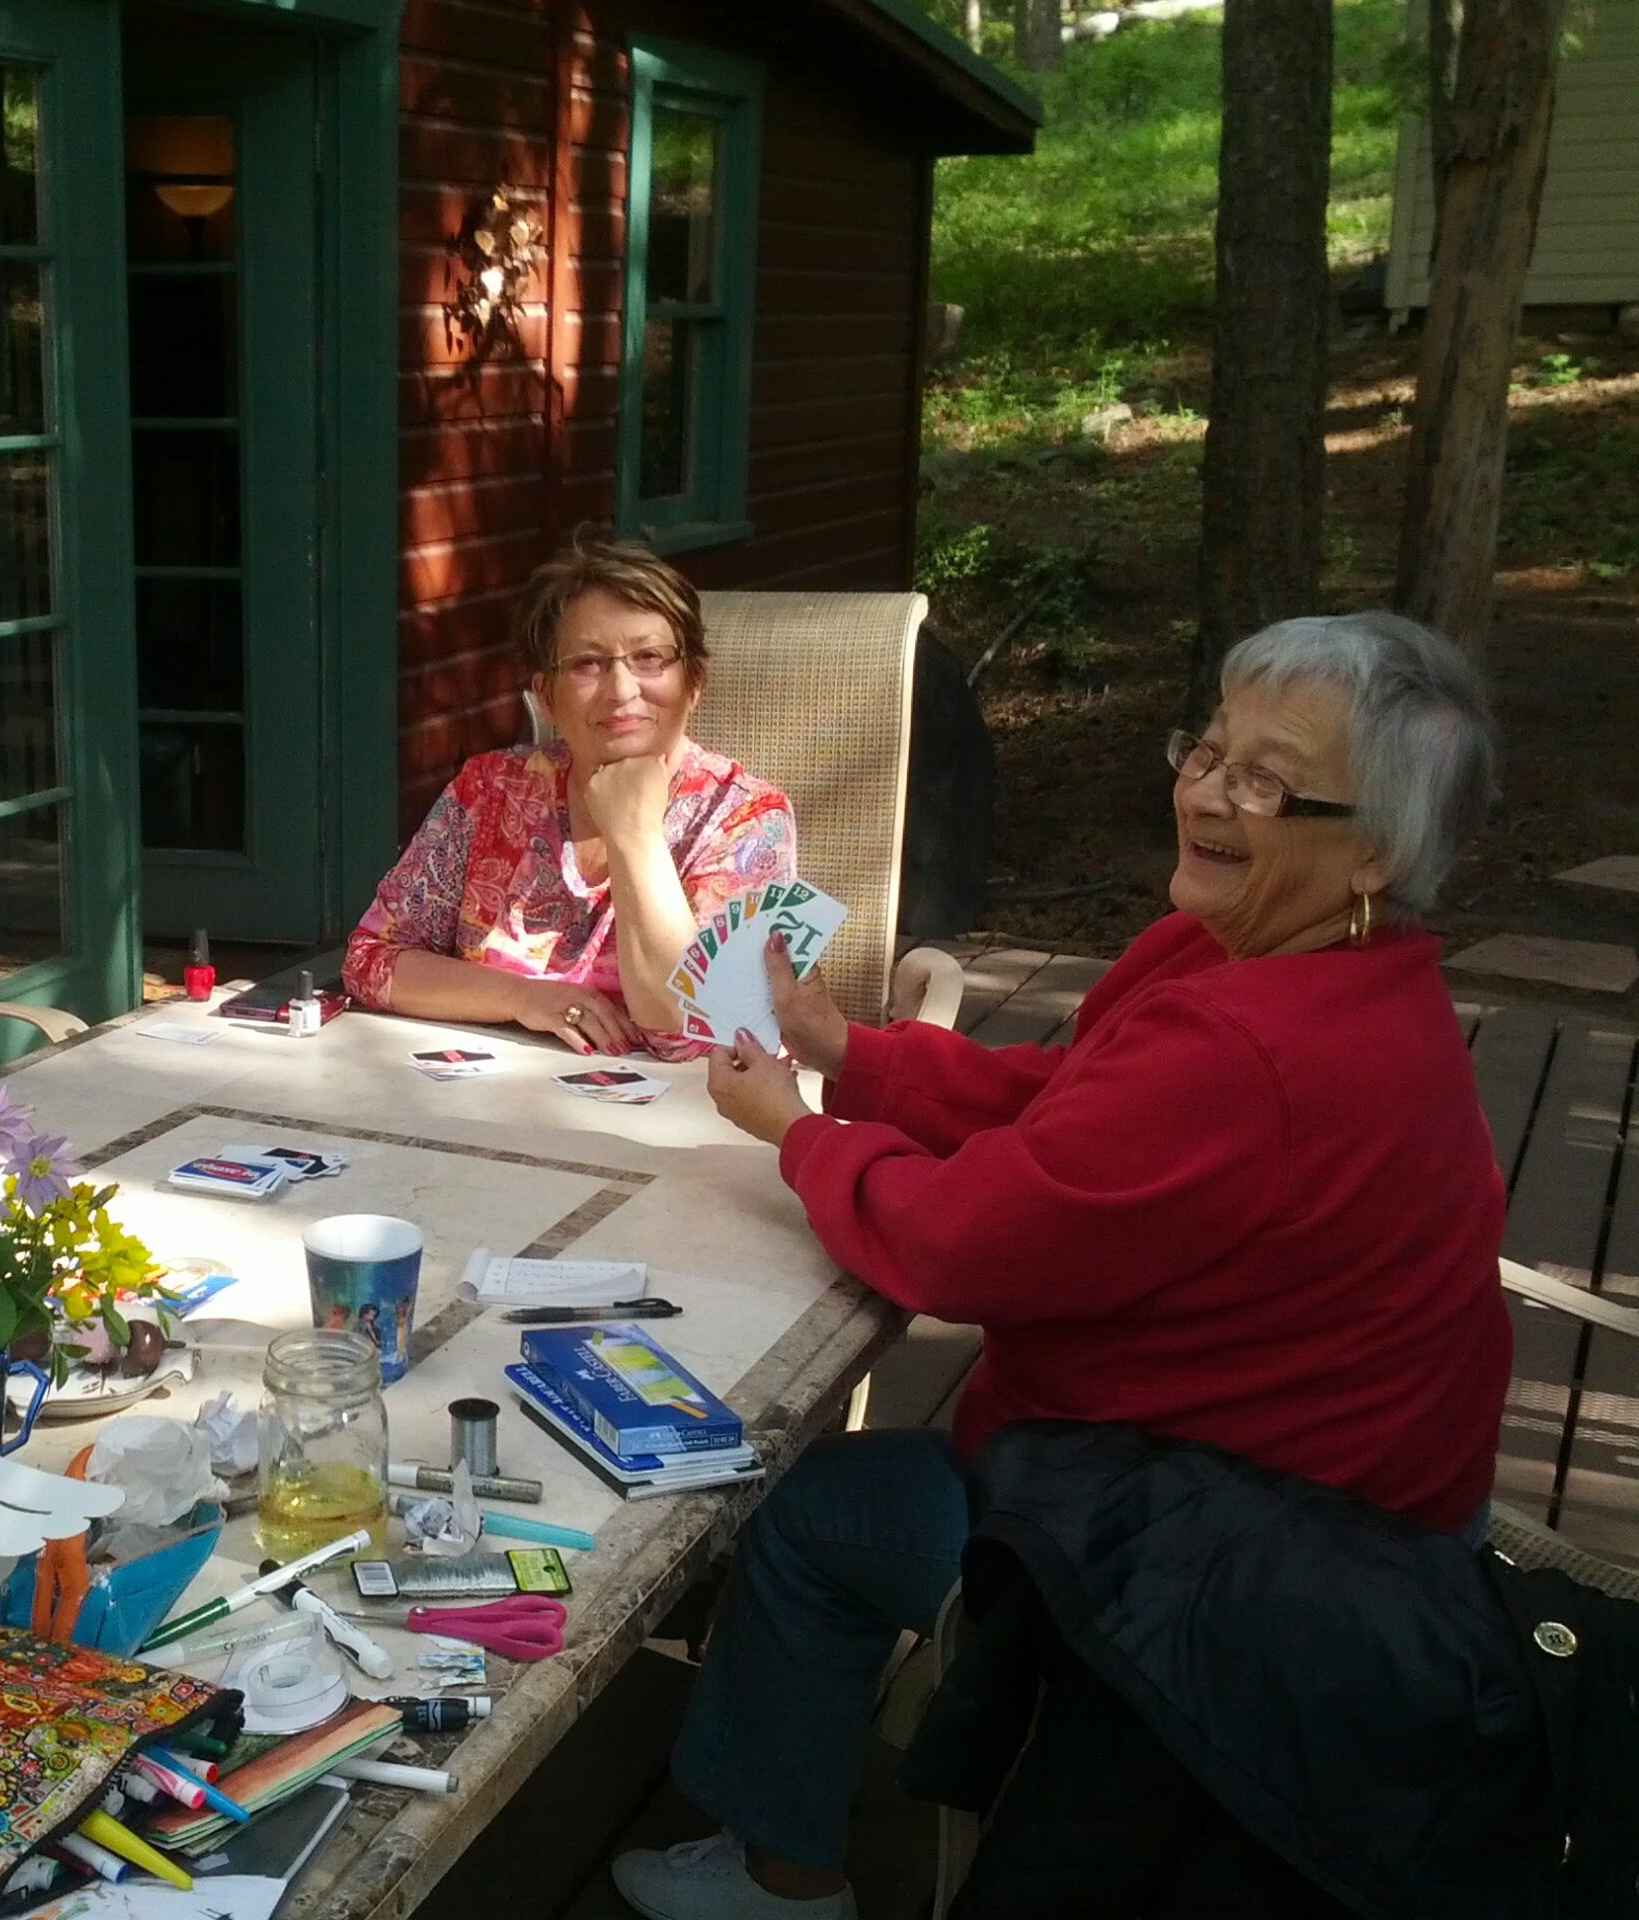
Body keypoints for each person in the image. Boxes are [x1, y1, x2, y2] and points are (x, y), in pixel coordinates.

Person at [615, 611, 1512, 1920]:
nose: (1207, 790)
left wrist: (798, 1132)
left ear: (1375, 846)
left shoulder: (1251, 1048)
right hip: (1339, 1504)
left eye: (1266, 778)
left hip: (1269, 1579)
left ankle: (781, 1879)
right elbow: (1070, 1104)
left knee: (813, 1511)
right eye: (1209, 747)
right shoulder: (1271, 957)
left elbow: (959, 1243)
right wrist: (852, 1052)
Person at [342, 528, 794, 1059]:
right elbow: (371, 961)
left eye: (649, 657)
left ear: (694, 682)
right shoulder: (489, 790)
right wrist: (524, 997)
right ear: (545, 697)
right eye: (587, 664)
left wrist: (636, 834)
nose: (622, 691)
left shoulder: (750, 821)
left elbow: (697, 1033)